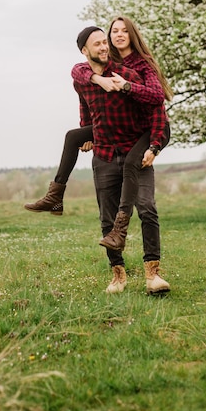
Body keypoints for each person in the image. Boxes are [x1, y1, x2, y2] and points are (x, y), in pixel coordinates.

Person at [24, 16, 173, 221]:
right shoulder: (107, 60)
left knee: (132, 167)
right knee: (73, 136)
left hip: (148, 127)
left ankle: (121, 224)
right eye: (114, 31)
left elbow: (157, 98)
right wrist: (96, 81)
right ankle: (55, 195)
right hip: (116, 126)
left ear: (133, 34)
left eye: (124, 31)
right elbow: (78, 73)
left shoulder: (142, 63)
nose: (119, 35)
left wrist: (127, 86)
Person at [71, 25, 170, 294]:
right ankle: (118, 276)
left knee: (147, 209)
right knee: (107, 218)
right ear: (85, 51)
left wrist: (154, 145)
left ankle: (153, 275)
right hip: (103, 156)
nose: (104, 46)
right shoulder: (83, 77)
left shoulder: (130, 73)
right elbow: (85, 105)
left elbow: (156, 107)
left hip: (135, 153)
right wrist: (86, 132)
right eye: (98, 43)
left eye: (106, 42)